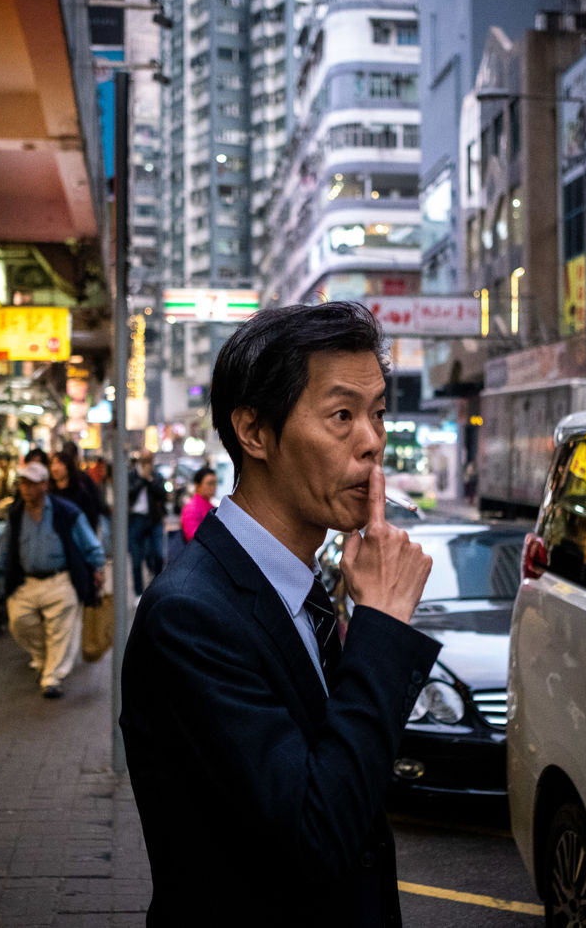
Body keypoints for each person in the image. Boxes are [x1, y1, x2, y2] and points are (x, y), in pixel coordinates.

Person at [120, 301, 440, 926]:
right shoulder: (189, 617)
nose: (372, 442)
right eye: (342, 415)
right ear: (255, 433)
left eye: (377, 414)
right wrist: (382, 625)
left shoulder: (305, 584)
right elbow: (316, 833)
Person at [0, 461, 106, 699]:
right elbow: (3, 546)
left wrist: (97, 567)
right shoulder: (16, 513)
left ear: (44, 485)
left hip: (60, 579)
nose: (26, 489)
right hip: (27, 582)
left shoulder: (66, 511)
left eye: (31, 484)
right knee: (19, 622)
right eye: (23, 483)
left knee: (61, 629)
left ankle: (52, 678)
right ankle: (44, 657)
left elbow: (88, 541)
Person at [126, 450, 167, 595]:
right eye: (144, 460)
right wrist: (142, 479)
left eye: (149, 460)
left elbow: (162, 494)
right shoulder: (132, 476)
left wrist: (149, 480)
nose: (146, 463)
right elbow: (129, 493)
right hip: (136, 519)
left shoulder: (156, 476)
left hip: (154, 519)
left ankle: (158, 587)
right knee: (136, 558)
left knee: (158, 554)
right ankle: (138, 593)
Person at [49, 449, 106, 536]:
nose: (55, 468)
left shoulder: (80, 492)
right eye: (52, 464)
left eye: (60, 463)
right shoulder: (49, 494)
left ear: (68, 466)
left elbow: (91, 517)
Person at [179, 465, 216, 542]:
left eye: (215, 483)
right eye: (210, 483)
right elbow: (192, 537)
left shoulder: (209, 505)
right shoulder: (192, 508)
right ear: (197, 485)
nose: (213, 487)